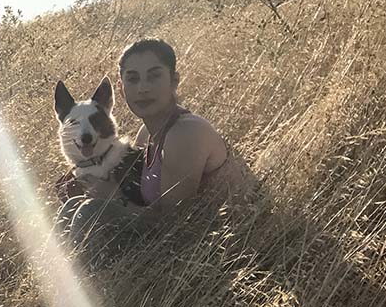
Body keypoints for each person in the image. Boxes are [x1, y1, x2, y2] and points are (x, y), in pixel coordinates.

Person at [57, 38, 256, 248]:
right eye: (133, 79)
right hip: (173, 242)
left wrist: (110, 198)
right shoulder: (146, 135)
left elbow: (175, 224)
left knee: (90, 212)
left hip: (223, 246)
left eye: (154, 76)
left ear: (174, 81)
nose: (143, 88)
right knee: (72, 207)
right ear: (121, 89)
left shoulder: (186, 132)